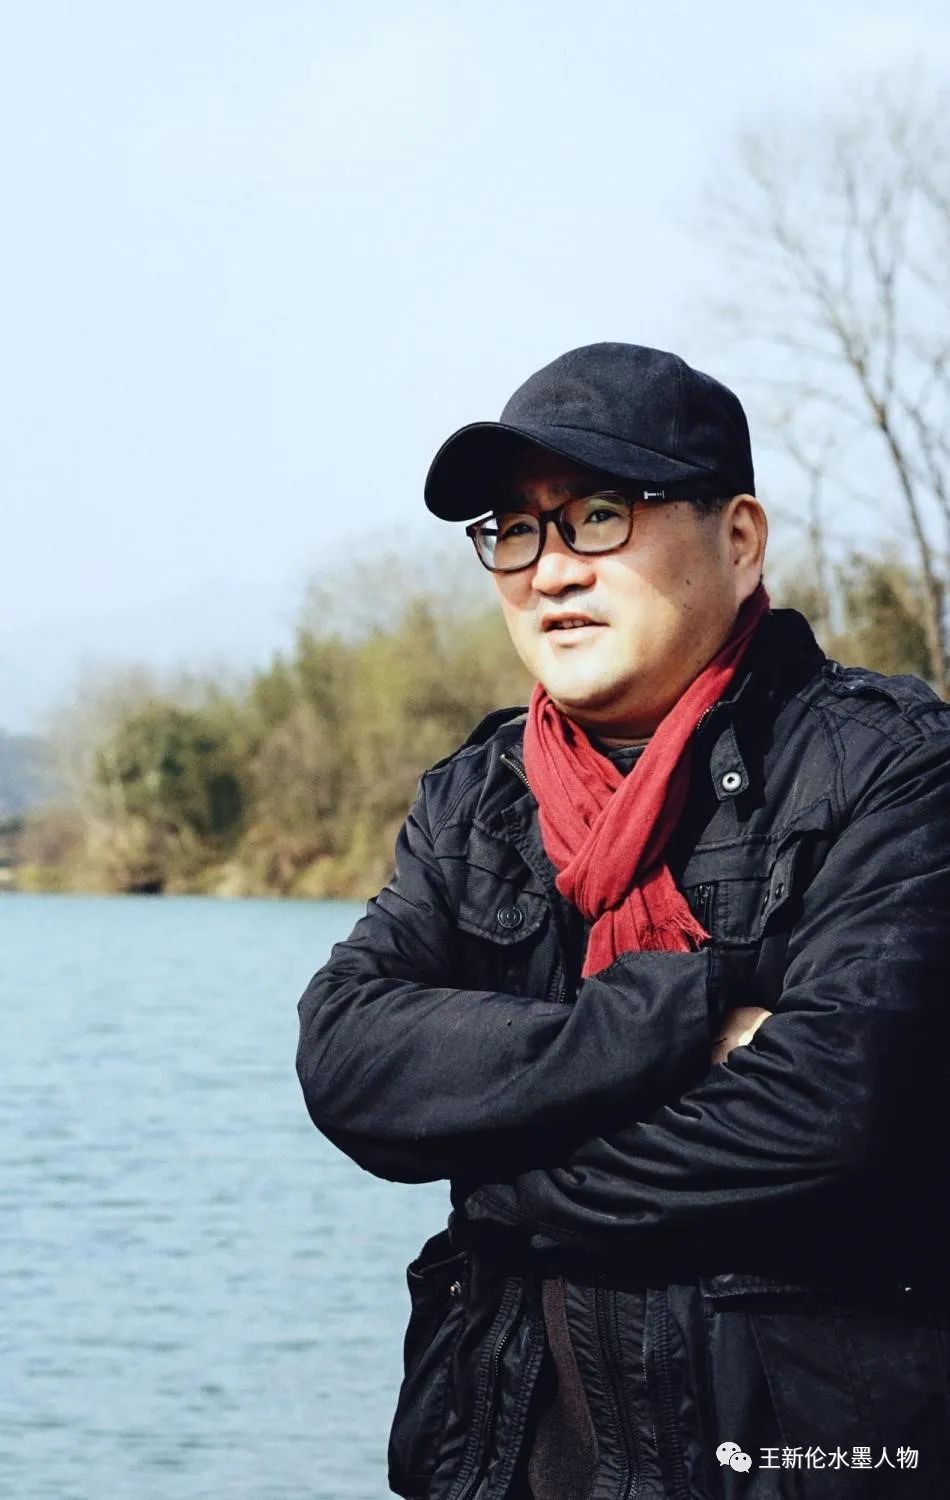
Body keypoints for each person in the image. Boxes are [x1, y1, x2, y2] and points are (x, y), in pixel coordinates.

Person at [295, 343, 950, 1499]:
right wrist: (684, 1013)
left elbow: (830, 1117)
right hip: (504, 1459)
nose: (548, 571)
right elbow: (348, 1059)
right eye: (514, 530)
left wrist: (492, 1169)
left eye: (598, 516)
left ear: (737, 540)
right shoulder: (478, 801)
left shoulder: (889, 771)